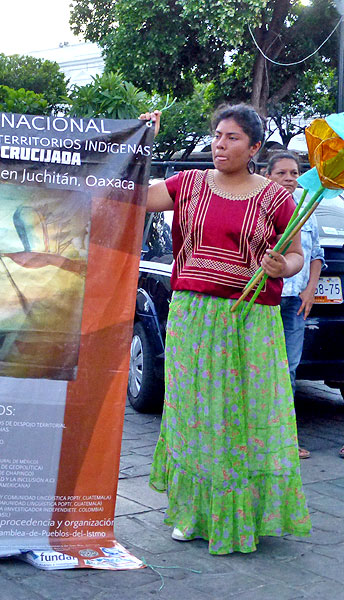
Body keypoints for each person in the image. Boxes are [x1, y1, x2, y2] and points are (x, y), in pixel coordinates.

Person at [141, 104, 311, 554]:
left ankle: (246, 515)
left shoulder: (276, 198)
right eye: (217, 135)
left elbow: (294, 255)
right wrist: (139, 140)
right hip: (193, 315)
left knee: (246, 415)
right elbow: (133, 192)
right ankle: (194, 513)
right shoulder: (190, 184)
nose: (220, 144)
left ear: (254, 147)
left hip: (252, 319)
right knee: (195, 412)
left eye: (232, 137)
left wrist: (282, 265)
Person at [265, 151, 325, 460]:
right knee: (260, 369)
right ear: (268, 175)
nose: (289, 178)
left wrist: (311, 290)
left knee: (288, 369)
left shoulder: (306, 209)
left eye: (293, 173)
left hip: (294, 302)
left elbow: (316, 254)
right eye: (281, 173)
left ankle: (286, 440)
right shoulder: (259, 205)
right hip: (264, 299)